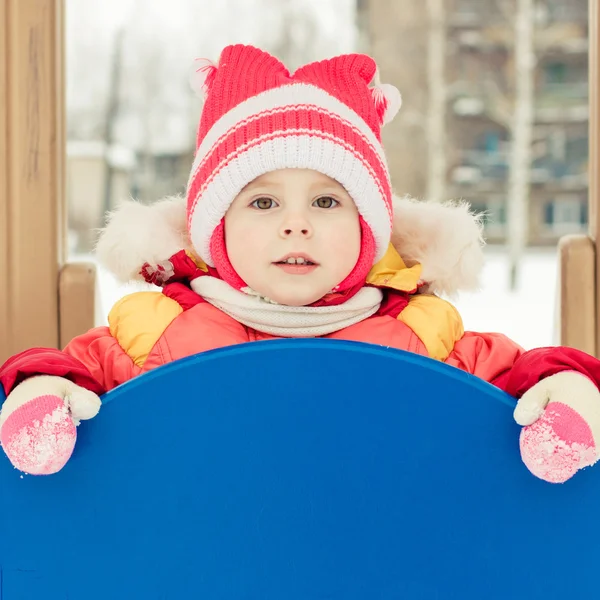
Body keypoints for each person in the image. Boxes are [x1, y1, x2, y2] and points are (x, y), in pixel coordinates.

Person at [1, 44, 599, 483]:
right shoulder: (155, 331)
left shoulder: (424, 335)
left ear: (368, 233)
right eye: (263, 202)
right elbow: (65, 367)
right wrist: (45, 389)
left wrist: (567, 387)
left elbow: (526, 371)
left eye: (327, 201)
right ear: (218, 232)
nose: (296, 223)